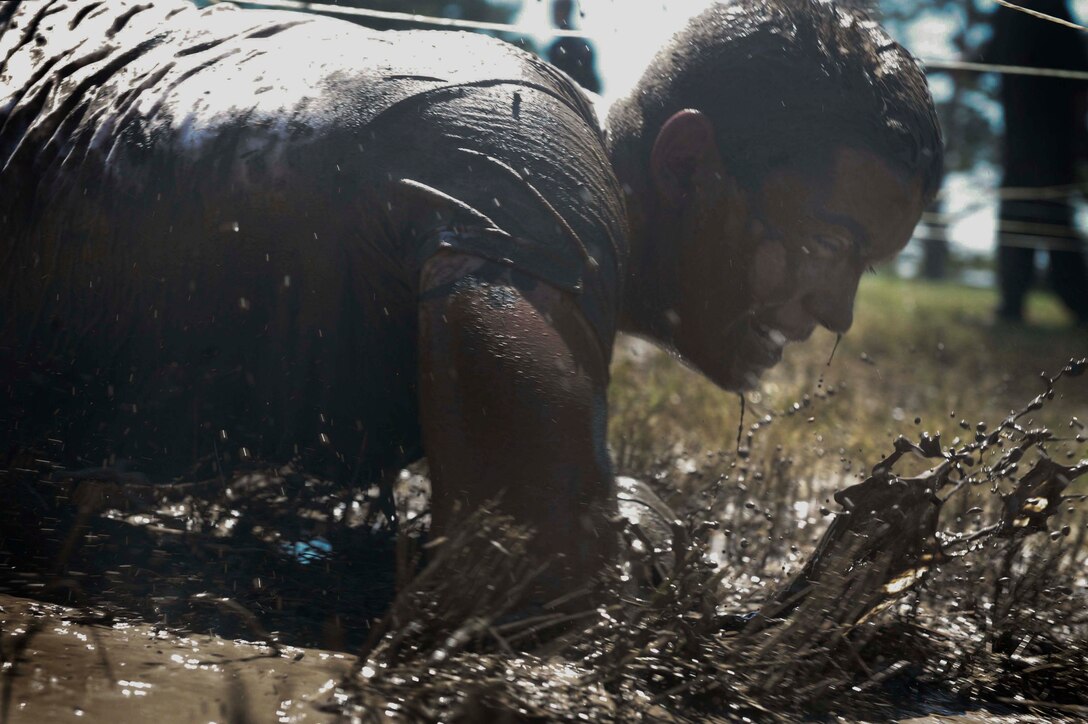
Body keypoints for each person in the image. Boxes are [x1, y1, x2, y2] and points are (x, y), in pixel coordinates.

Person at [0, 0, 941, 599]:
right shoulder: (529, 159)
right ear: (688, 165)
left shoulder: (536, 168)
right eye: (829, 244)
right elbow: (526, 568)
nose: (841, 312)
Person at [983, 0, 1088, 324]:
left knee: (1049, 218)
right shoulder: (1010, 12)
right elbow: (989, 57)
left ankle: (1079, 305)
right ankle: (1013, 304)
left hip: (1054, 140)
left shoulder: (1051, 10)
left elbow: (1081, 76)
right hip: (1022, 140)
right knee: (1023, 216)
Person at [546, 0, 602, 94]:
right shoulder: (581, 42)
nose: (552, 14)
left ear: (566, 11)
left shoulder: (560, 46)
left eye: (556, 10)